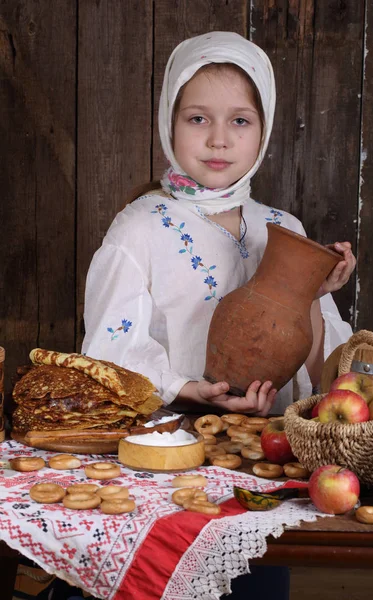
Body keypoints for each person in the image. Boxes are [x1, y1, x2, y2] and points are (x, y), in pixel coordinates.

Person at [82, 31, 355, 417]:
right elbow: (107, 359)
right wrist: (193, 390)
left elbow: (323, 379)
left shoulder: (284, 228)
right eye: (198, 118)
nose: (218, 140)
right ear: (169, 123)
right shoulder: (139, 228)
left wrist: (308, 293)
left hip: (270, 452)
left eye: (240, 120)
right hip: (169, 449)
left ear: (264, 130)